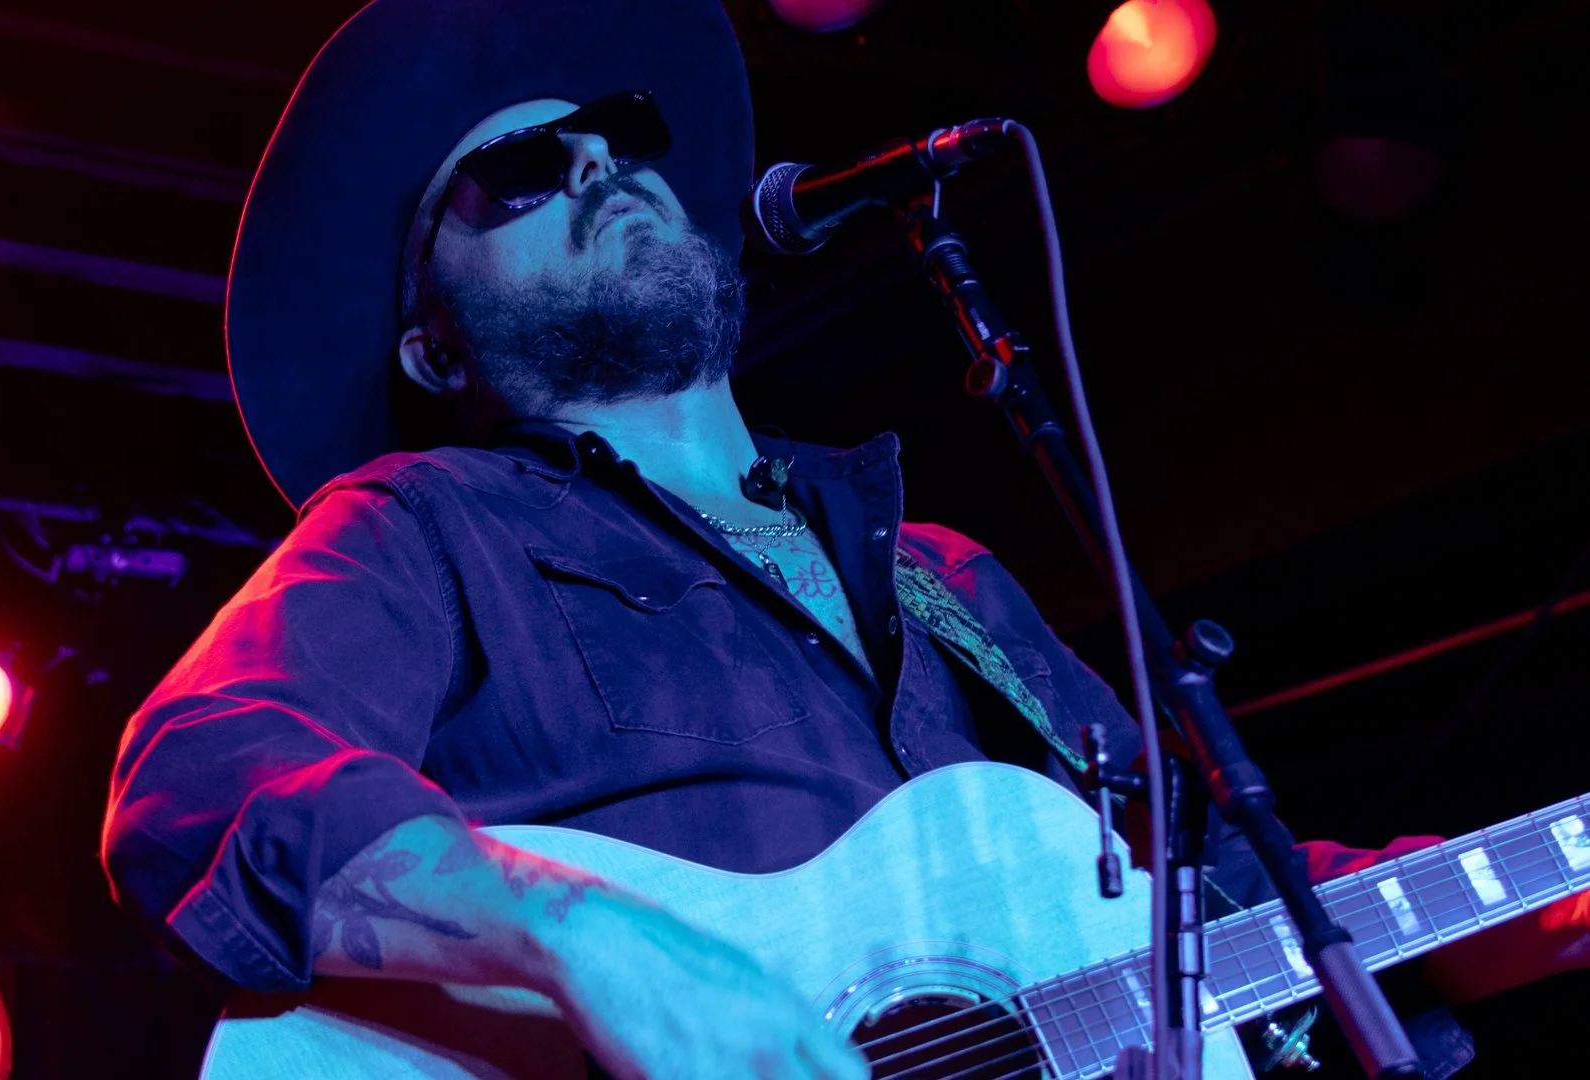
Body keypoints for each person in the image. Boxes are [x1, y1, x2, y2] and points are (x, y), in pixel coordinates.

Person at [101, 2, 1586, 1078]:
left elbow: (1216, 898)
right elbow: (206, 771)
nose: (598, 165)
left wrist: (1526, 900)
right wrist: (584, 940)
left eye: (613, 135)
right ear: (431, 346)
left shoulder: (946, 581)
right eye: (518, 172)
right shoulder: (426, 528)